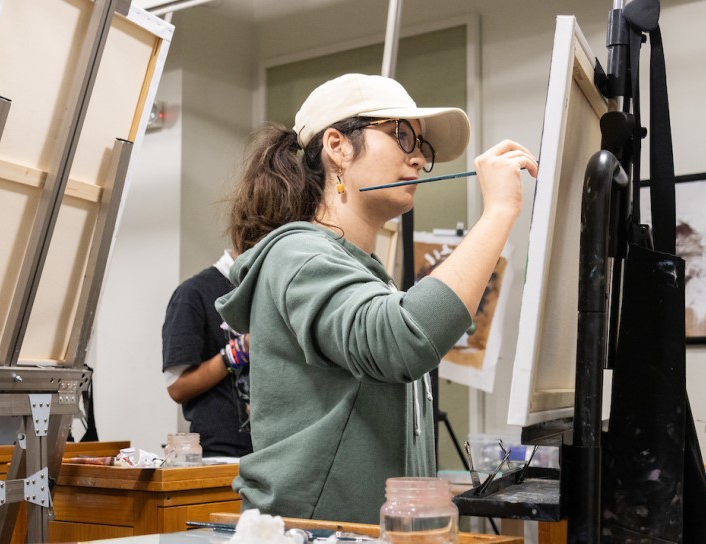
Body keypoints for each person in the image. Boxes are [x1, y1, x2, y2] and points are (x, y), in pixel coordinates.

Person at [216, 73, 537, 523]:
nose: (417, 158)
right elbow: (405, 339)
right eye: (402, 135)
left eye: (421, 149)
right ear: (337, 146)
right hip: (313, 533)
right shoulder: (298, 255)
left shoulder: (367, 275)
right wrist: (499, 212)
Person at [162, 250, 253, 458]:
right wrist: (240, 351)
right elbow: (177, 387)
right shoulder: (193, 294)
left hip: (272, 456)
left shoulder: (267, 290)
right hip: (222, 457)